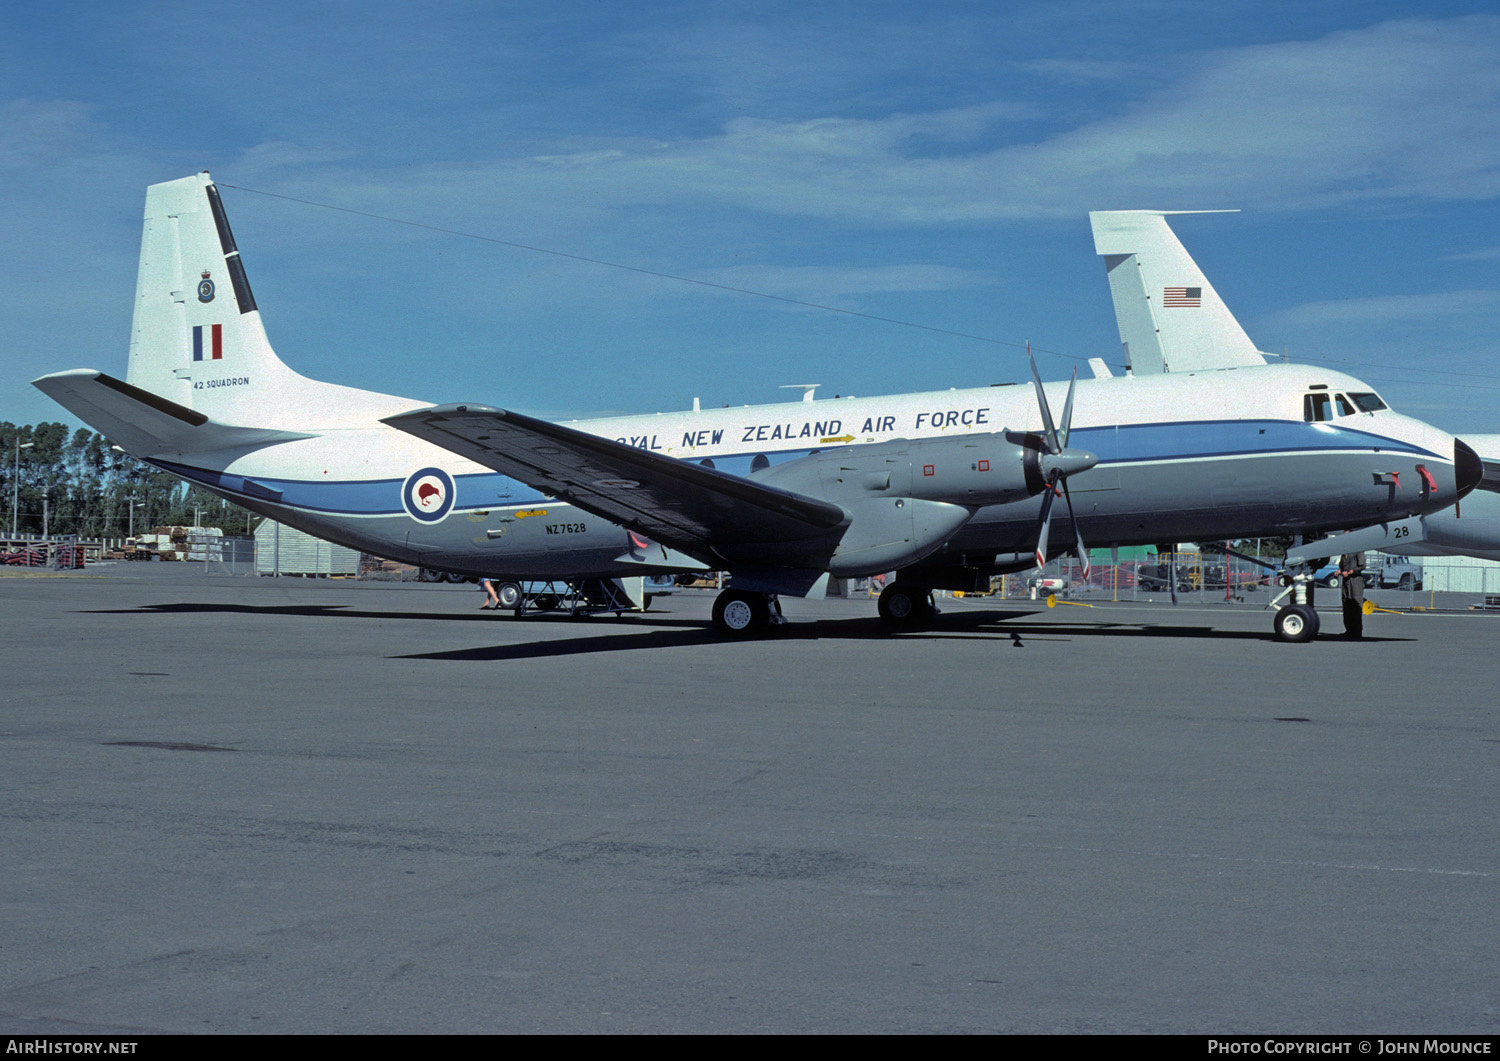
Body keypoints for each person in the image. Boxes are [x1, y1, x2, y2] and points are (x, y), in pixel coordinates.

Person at [1338, 552, 1366, 639]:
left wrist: (1350, 572)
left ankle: (1356, 632)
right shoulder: (1343, 553)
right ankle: (1349, 631)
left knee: (1356, 605)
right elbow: (1342, 566)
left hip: (1355, 581)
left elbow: (1362, 566)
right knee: (1346, 605)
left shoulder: (1358, 550)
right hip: (1346, 582)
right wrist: (1340, 571)